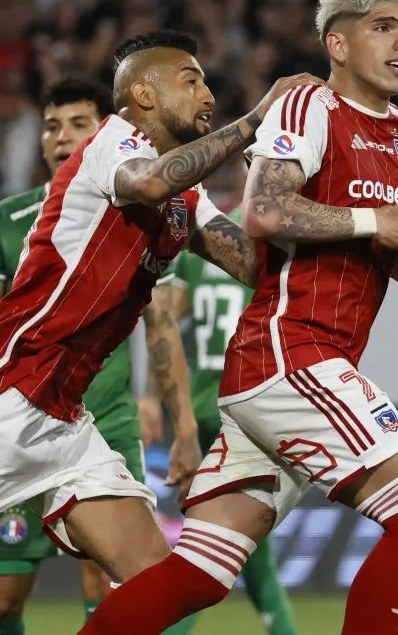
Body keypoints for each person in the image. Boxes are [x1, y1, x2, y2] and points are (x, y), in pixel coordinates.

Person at [81, 0, 398, 635]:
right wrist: (378, 221)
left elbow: (388, 247)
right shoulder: (309, 107)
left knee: (198, 574)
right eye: (384, 27)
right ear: (337, 44)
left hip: (298, 366)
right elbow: (265, 210)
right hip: (290, 353)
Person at [0, 29, 319, 621]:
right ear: (145, 95)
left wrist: (326, 209)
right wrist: (255, 121)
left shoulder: (189, 201)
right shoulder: (110, 143)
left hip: (63, 420)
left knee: (154, 582)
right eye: (191, 81)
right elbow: (150, 182)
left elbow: (257, 268)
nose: (208, 94)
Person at [0, 76, 198, 634]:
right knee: (3, 597)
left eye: (78, 124)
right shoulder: (7, 220)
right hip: (18, 421)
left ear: (107, 133)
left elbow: (161, 323)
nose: (63, 137)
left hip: (105, 421)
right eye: (51, 126)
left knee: (112, 581)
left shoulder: (140, 216)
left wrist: (180, 420)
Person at [145, 212, 300, 635]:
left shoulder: (204, 244)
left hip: (201, 409)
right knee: (221, 550)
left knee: (238, 548)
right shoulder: (279, 241)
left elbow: (163, 320)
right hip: (251, 407)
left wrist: (151, 396)